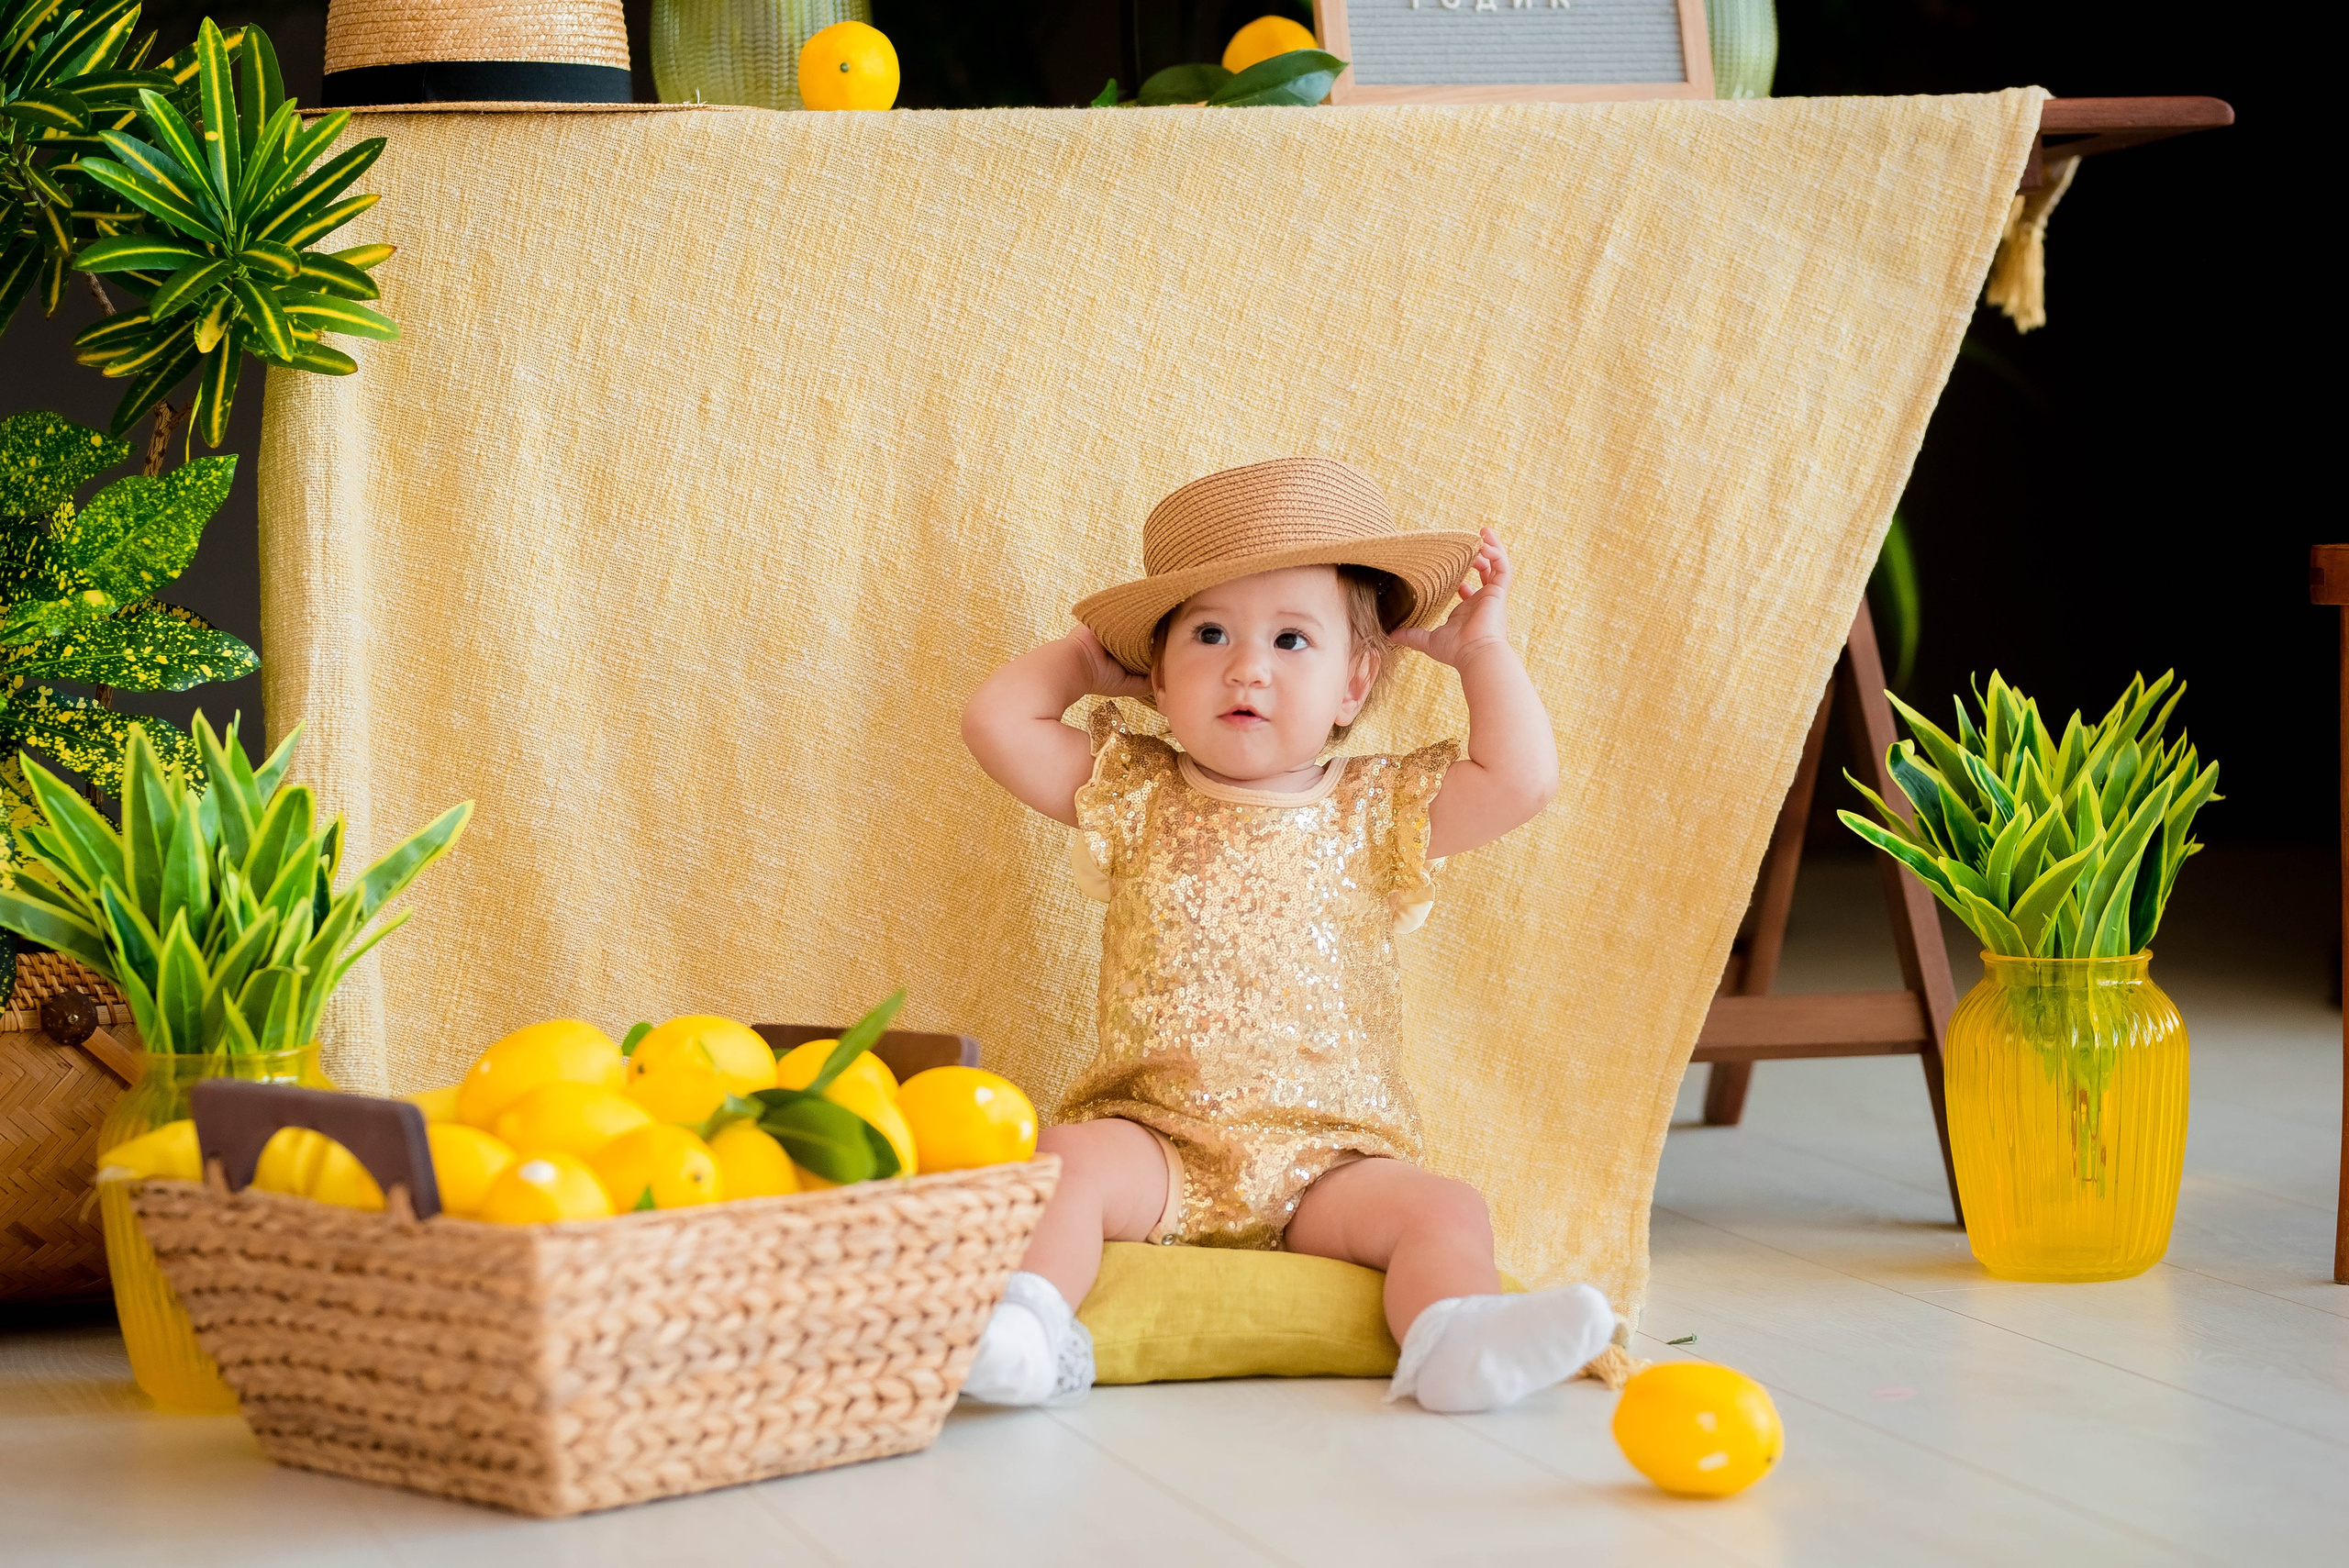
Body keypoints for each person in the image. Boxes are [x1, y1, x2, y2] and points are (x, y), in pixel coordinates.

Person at [958, 456, 1616, 1411]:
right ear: (1159, 680)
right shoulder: (1135, 788)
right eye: (1209, 633)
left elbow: (1522, 779)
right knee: (1060, 1159)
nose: (1247, 666)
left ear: (1356, 681)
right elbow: (996, 720)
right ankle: (1021, 1327)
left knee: (1444, 1208)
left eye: (1291, 638)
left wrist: (1483, 654)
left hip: (1331, 1162)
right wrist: (1080, 659)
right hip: (1158, 1142)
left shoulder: (1378, 807)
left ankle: (1454, 1340)